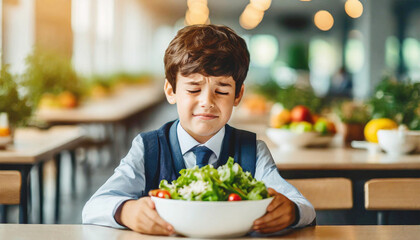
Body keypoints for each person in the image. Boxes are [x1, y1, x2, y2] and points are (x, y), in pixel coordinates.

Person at [82, 24, 316, 235]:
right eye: (193, 89)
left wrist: (292, 211)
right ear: (171, 91)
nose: (207, 102)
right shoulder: (148, 148)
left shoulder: (252, 150)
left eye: (222, 90)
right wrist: (126, 211)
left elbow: (304, 206)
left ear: (238, 95)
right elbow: (93, 207)